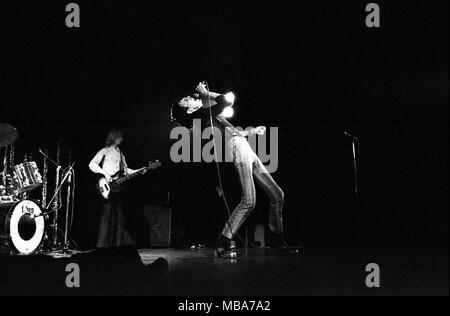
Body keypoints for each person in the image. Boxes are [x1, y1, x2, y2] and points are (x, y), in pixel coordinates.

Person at [171, 82, 288, 257]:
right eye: (186, 100)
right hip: (237, 149)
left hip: (244, 147)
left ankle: (276, 239)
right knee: (249, 200)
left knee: (277, 195)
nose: (191, 97)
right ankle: (225, 239)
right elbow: (225, 101)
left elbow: (232, 130)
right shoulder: (201, 115)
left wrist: (253, 131)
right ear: (188, 110)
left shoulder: (209, 114)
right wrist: (207, 93)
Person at [88, 129, 146, 248]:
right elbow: (92, 164)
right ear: (114, 137)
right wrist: (105, 173)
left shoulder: (120, 153)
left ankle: (118, 246)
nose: (122, 139)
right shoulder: (105, 150)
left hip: (118, 189)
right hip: (106, 185)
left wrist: (140, 170)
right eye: (120, 137)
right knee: (106, 216)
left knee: (120, 218)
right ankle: (101, 246)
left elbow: (126, 171)